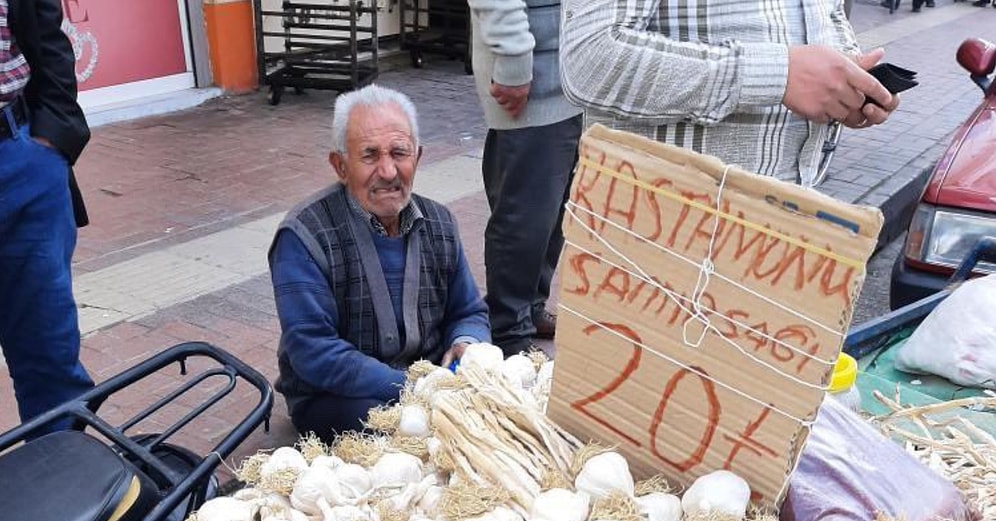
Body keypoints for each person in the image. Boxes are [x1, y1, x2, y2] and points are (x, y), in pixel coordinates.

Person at [268, 84, 490, 443]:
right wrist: (413, 387)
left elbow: (468, 312)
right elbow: (314, 351)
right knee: (409, 436)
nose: (388, 171)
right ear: (340, 165)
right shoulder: (303, 235)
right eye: (369, 155)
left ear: (416, 157)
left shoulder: (440, 222)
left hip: (431, 385)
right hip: (342, 396)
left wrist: (467, 345)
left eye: (399, 153)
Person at [559, 0, 900, 187]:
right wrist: (777, 74)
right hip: (663, 233)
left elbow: (828, 13)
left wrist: (848, 84)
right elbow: (590, 57)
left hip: (788, 221)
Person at [468, 0, 583, 356]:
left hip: (565, 74)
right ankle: (508, 327)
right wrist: (515, 64)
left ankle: (529, 307)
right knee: (526, 218)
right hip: (534, 79)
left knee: (553, 211)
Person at [1, 0, 93, 428]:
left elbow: (49, 38)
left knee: (49, 353)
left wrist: (53, 137)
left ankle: (70, 484)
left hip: (21, 161)